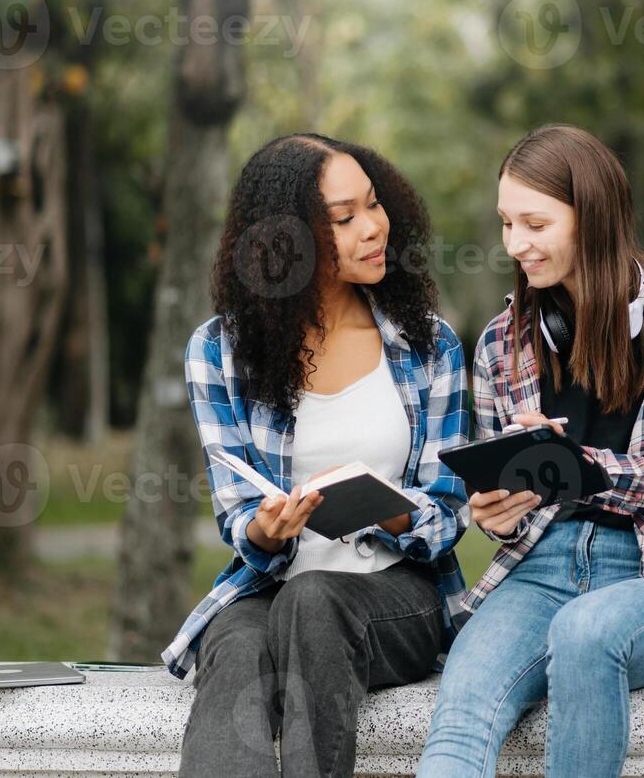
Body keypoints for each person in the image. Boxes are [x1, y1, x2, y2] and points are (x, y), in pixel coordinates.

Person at [417, 124, 644, 778]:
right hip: (539, 565)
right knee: (461, 711)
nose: (515, 244)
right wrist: (496, 510)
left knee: (586, 634)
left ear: (591, 218)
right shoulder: (504, 340)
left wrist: (581, 467)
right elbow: (500, 492)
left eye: (535, 223)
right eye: (507, 223)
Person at [163, 133, 472, 778]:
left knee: (314, 601)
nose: (373, 228)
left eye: (375, 205)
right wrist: (265, 528)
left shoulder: (428, 345)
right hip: (270, 584)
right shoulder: (219, 350)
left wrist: (389, 512)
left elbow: (449, 510)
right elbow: (235, 509)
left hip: (395, 594)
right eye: (343, 218)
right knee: (240, 648)